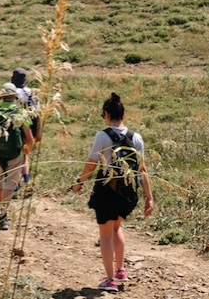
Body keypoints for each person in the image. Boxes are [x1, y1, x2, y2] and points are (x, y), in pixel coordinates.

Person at [72, 92, 155, 292]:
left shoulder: (102, 136)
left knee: (106, 234)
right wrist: (149, 198)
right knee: (117, 227)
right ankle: (120, 270)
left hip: (107, 190)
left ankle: (110, 280)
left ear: (106, 114)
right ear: (123, 114)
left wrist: (79, 182)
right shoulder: (137, 138)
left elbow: (91, 165)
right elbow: (142, 170)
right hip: (128, 192)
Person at [0, 82, 34, 230]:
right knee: (9, 186)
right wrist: (26, 151)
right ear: (14, 97)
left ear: (2, 96)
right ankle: (4, 215)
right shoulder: (20, 112)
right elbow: (29, 138)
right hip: (15, 155)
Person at [11, 67, 41, 185]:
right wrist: (38, 130)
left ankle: (16, 182)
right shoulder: (32, 92)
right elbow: (38, 111)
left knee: (16, 153)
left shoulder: (14, 92)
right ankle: (27, 180)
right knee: (25, 153)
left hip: (20, 123)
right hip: (32, 123)